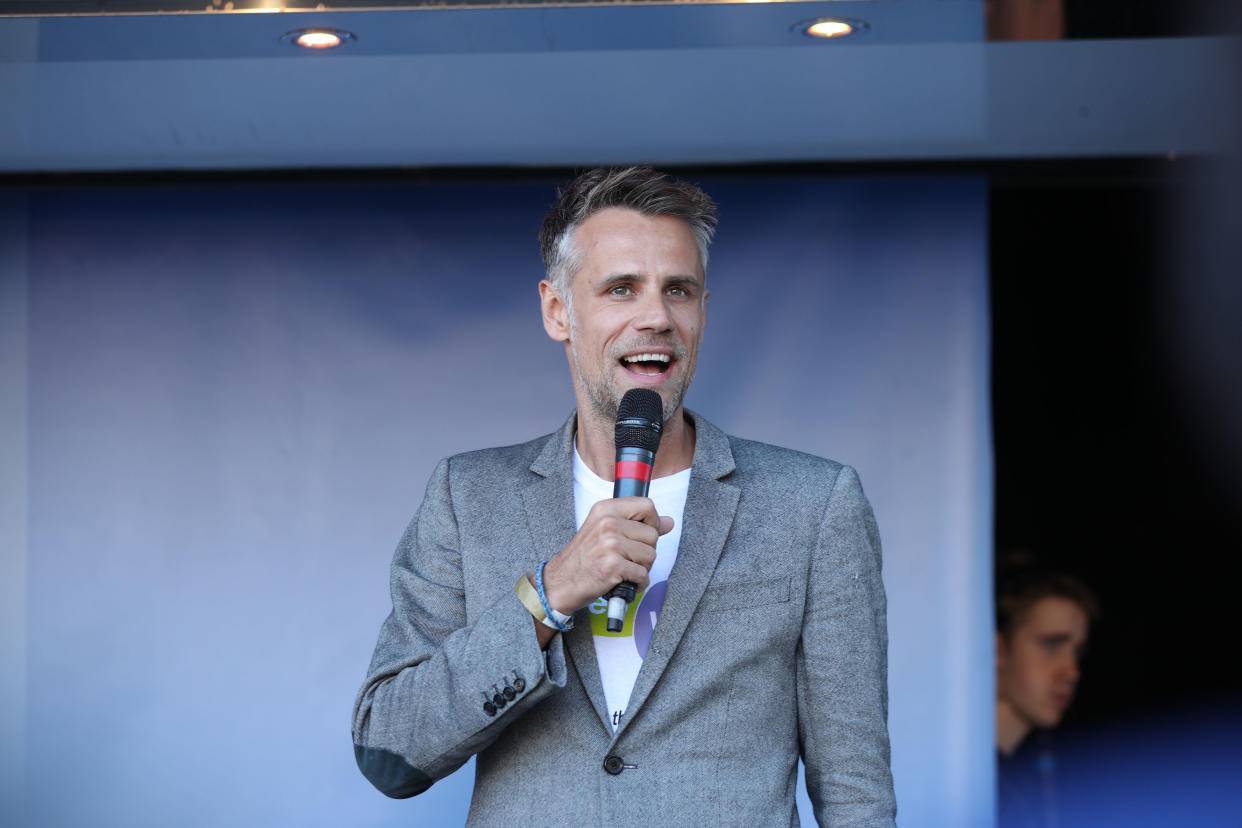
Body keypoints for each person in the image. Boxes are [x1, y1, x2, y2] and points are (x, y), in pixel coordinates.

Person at [352, 167, 896, 825]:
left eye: (679, 290)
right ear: (558, 311)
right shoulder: (468, 498)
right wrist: (548, 596)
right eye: (621, 289)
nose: (656, 316)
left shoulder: (815, 504)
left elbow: (855, 792)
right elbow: (388, 751)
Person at [995, 560, 1098, 826]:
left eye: (1077, 652)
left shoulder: (1043, 775)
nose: (1072, 672)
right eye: (1051, 645)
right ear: (998, 647)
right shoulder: (951, 769)